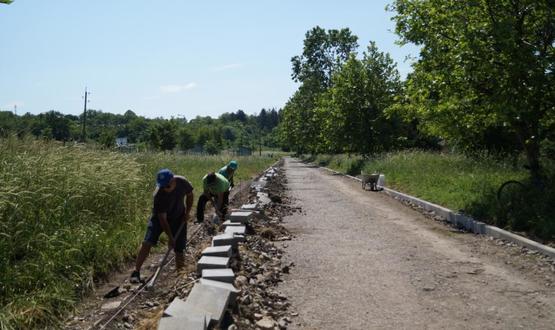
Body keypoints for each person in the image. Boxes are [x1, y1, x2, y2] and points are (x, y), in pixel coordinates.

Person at [130, 169, 194, 283]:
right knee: (147, 242)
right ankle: (136, 271)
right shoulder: (158, 194)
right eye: (163, 186)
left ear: (173, 180)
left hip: (178, 217)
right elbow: (162, 219)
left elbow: (190, 195)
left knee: (179, 248)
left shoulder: (183, 182)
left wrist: (187, 213)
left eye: (167, 186)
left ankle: (181, 275)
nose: (165, 188)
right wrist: (170, 237)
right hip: (159, 219)